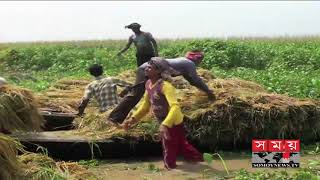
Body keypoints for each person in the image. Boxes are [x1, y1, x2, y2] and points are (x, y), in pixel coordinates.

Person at [121, 57, 203, 169]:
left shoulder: (165, 86)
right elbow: (145, 106)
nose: (146, 69)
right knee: (181, 144)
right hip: (165, 120)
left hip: (172, 120)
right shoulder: (148, 84)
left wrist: (165, 124)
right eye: (147, 66)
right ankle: (198, 159)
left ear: (158, 71)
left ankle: (170, 168)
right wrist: (133, 119)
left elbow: (175, 106)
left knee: (168, 147)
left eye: (150, 67)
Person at [108, 50, 215, 124]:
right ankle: (114, 118)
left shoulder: (184, 62)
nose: (200, 63)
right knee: (136, 95)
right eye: (201, 61)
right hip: (149, 69)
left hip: (148, 68)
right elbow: (196, 80)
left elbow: (191, 80)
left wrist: (205, 90)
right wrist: (208, 91)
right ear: (198, 59)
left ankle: (128, 93)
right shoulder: (189, 63)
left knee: (143, 91)